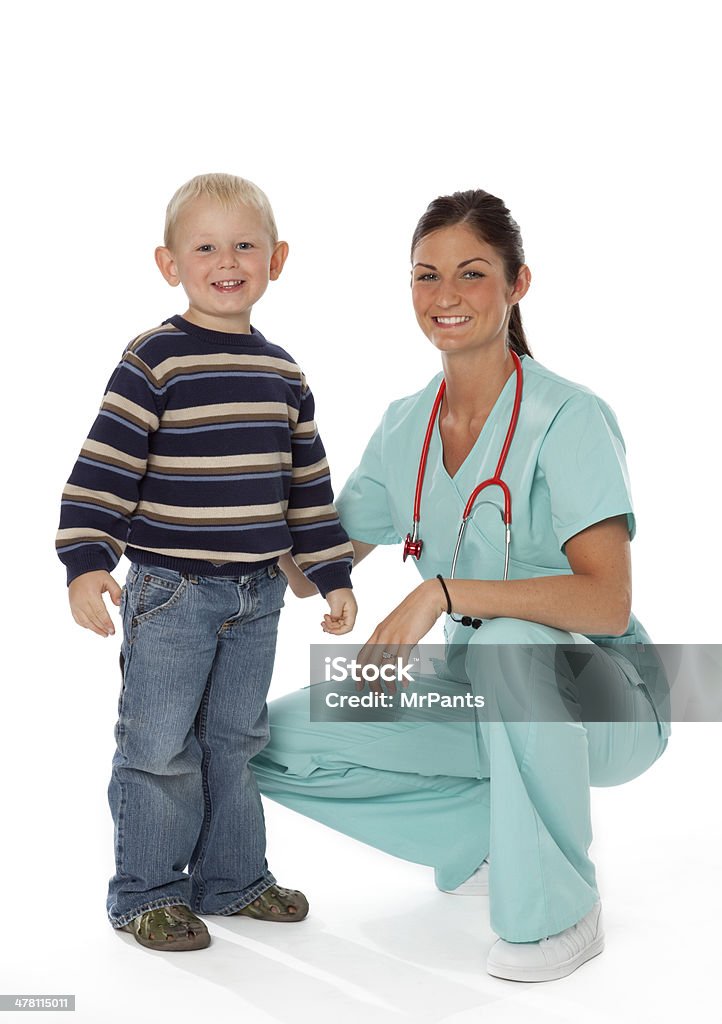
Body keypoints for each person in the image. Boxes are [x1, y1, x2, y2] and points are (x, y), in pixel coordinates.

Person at [252, 189, 670, 982]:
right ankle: (498, 835)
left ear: (517, 285)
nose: (445, 296)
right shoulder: (407, 423)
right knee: (258, 743)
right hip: (475, 690)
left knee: (512, 644)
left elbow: (605, 599)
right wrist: (225, 502)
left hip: (611, 696)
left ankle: (561, 907)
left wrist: (443, 592)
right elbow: (312, 566)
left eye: (472, 273)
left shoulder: (570, 416)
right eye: (425, 275)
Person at [55, 173, 357, 951]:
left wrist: (331, 574)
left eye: (245, 245)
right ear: (170, 264)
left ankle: (232, 879)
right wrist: (87, 560)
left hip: (257, 598)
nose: (227, 260)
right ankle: (148, 893)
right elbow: (106, 467)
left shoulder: (284, 373)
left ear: (277, 259)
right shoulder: (155, 359)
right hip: (170, 595)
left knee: (236, 741)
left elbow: (307, 489)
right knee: (158, 747)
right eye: (206, 247)